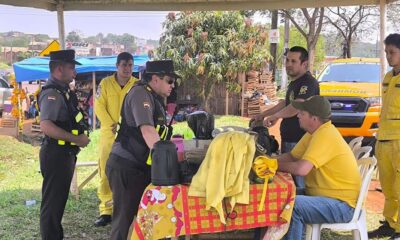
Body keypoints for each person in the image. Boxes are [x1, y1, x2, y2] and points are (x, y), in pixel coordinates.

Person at [106, 60, 178, 240]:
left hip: (139, 166)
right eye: (169, 80)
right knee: (122, 221)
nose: (173, 85)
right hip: (126, 166)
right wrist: (168, 161)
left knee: (144, 218)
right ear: (155, 79)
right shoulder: (141, 94)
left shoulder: (154, 97)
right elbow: (148, 131)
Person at [276, 95, 361, 239]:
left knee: (292, 206)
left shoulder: (325, 135)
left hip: (343, 206)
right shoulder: (314, 133)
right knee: (281, 196)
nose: (298, 116)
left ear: (314, 119)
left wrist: (273, 165)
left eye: (302, 114)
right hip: (327, 197)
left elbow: (301, 169)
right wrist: (266, 160)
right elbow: (292, 156)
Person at [38, 49, 90, 240]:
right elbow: (46, 126)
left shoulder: (63, 92)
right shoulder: (51, 93)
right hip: (56, 154)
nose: (74, 72)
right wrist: (77, 139)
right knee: (52, 205)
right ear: (59, 69)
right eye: (71, 67)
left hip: (64, 153)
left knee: (57, 203)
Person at [253, 46, 320, 192]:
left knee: (298, 185)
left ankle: (299, 210)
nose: (288, 64)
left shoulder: (308, 82)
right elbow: (286, 103)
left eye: (293, 61)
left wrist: (276, 116)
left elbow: (297, 106)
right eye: (287, 60)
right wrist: (263, 114)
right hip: (289, 138)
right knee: (288, 181)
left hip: (299, 139)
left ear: (304, 64)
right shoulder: (295, 82)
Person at [94, 52, 138, 227]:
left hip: (131, 138)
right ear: (117, 66)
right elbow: (98, 106)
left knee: (130, 172)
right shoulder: (105, 83)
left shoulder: (137, 85)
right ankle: (106, 210)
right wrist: (110, 124)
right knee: (105, 171)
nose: (127, 69)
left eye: (130, 65)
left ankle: (129, 208)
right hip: (109, 134)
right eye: (124, 65)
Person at [368, 33, 400, 239]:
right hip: (384, 140)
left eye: (393, 52)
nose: (389, 56)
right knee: (387, 186)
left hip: (398, 140)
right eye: (387, 52)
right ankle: (390, 223)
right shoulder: (389, 77)